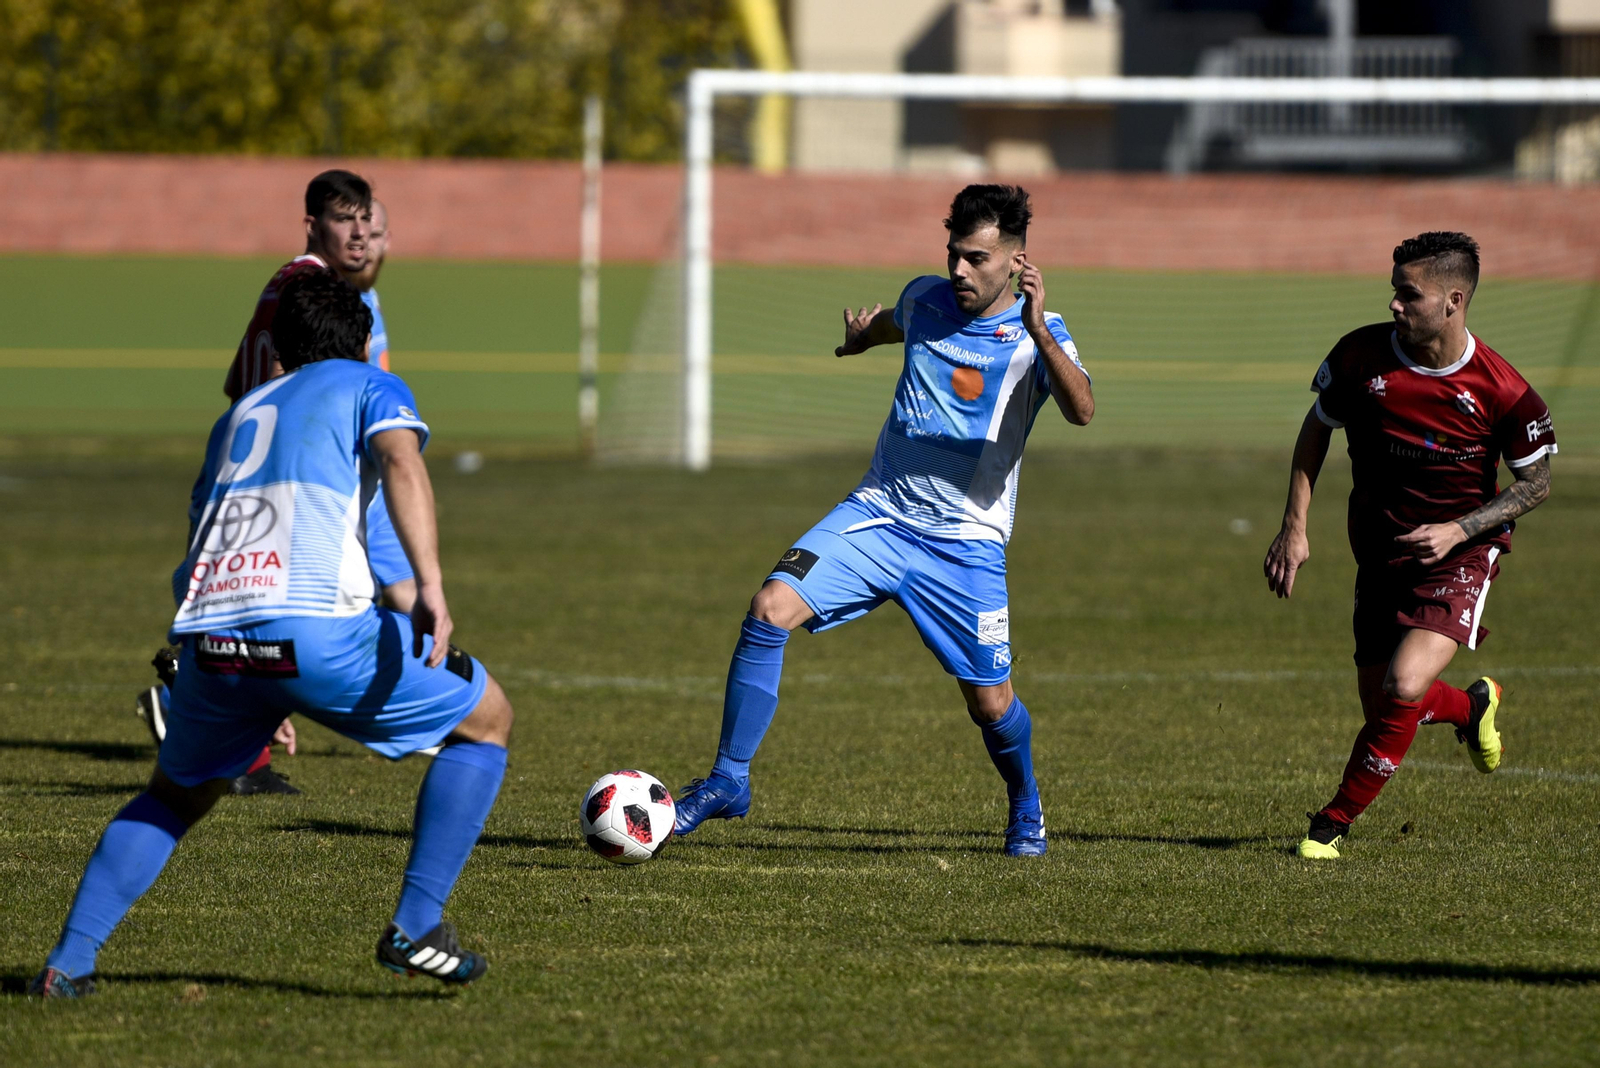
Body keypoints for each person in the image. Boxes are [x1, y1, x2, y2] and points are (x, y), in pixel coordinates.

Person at [30, 270, 513, 998]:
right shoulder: (368, 383)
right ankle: (416, 925)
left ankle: (65, 966)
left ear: (281, 350)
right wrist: (432, 589)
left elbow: (198, 541)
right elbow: (401, 460)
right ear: (362, 343)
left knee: (171, 797)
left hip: (213, 638)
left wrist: (232, 670)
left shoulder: (238, 415)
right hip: (317, 633)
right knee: (487, 721)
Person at [672, 185, 1094, 856]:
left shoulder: (1038, 337)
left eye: (977, 258)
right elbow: (896, 321)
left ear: (1017, 262)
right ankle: (729, 780)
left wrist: (1041, 331)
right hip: (879, 515)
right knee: (768, 607)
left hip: (965, 547)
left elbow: (1082, 410)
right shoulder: (927, 298)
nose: (960, 270)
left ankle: (1025, 801)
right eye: (954, 254)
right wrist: (862, 339)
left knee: (990, 705)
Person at [1263, 232, 1557, 860]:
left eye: (1408, 294)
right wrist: (1295, 525)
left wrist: (1463, 529)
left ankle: (1330, 825)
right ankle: (1472, 704)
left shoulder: (1502, 389)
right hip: (1380, 550)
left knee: (1403, 684)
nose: (1394, 304)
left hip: (1461, 555)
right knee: (1387, 704)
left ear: (1454, 301)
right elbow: (1317, 429)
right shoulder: (1359, 356)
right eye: (1394, 290)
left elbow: (1537, 484)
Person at [135, 174, 416, 792]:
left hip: (289, 462)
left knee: (264, 599)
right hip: (315, 469)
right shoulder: (312, 288)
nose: (362, 234)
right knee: (385, 595)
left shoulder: (296, 285)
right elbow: (282, 381)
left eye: (369, 223)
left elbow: (240, 378)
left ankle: (238, 724)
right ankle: (419, 713)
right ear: (313, 225)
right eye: (348, 221)